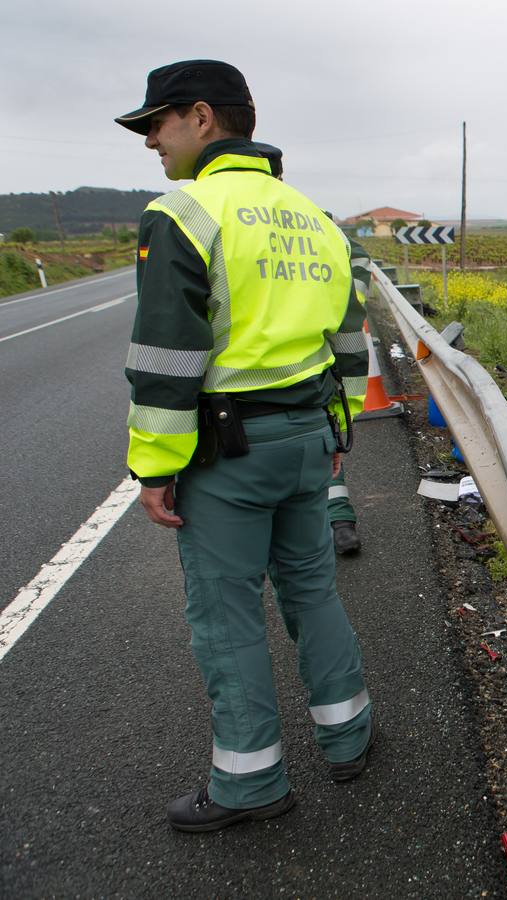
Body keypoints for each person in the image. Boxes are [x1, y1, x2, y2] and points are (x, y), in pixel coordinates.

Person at [116, 60, 375, 833]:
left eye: (157, 124)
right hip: (306, 440)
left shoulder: (184, 212)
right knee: (312, 590)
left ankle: (249, 784)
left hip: (227, 454)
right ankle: (349, 738)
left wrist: (156, 469)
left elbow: (166, 356)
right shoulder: (316, 218)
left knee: (226, 616)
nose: (152, 142)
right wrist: (339, 430)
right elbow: (349, 341)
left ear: (201, 117)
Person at [254, 142, 366, 555]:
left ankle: (330, 525)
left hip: (256, 381)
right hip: (319, 363)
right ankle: (338, 524)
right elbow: (359, 262)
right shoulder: (314, 220)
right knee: (323, 444)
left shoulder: (226, 219)